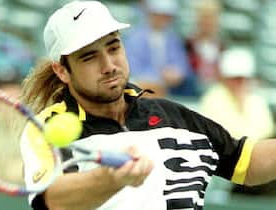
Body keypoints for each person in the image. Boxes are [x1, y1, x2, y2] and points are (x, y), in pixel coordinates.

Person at [20, 1, 276, 210]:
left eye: (113, 47)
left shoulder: (175, 116)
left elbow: (247, 162)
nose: (109, 65)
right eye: (89, 57)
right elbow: (53, 201)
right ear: (62, 71)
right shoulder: (47, 127)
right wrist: (113, 178)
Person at [123, 0, 199, 97]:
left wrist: (177, 73)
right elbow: (133, 68)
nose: (162, 19)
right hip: (145, 88)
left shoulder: (173, 38)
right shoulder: (135, 38)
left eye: (166, 16)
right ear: (150, 14)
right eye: (159, 15)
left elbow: (182, 64)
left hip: (173, 88)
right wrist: (160, 76)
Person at [199, 47, 274, 141]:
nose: (240, 82)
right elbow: (222, 134)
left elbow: (267, 129)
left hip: (254, 149)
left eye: (244, 78)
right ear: (225, 78)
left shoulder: (255, 98)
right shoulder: (213, 98)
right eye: (236, 78)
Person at [185, 0, 225, 88]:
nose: (208, 22)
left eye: (211, 18)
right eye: (204, 17)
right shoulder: (188, 44)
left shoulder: (222, 46)